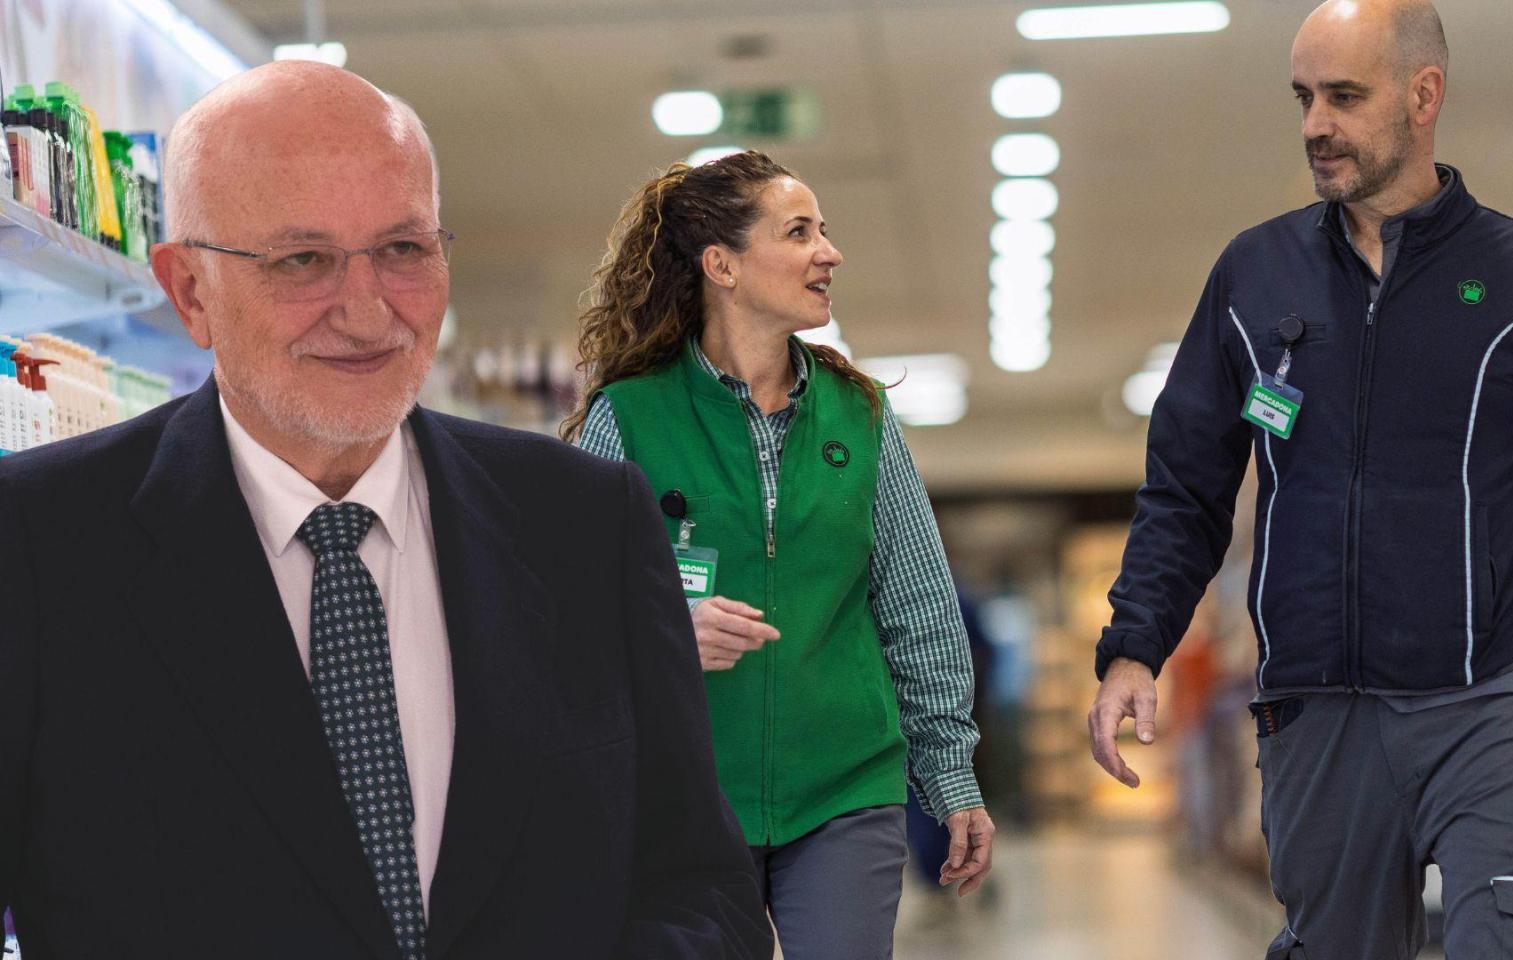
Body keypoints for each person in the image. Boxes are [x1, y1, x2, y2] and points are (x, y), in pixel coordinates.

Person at [0, 62, 770, 960]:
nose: (367, 313)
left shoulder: (586, 524)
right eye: (302, 260)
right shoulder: (41, 545)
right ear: (190, 292)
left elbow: (701, 884)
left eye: (403, 249)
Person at [1087, 2, 1513, 958]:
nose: (1315, 124)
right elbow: (1185, 490)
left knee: (1508, 942)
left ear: (1424, 96)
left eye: (1343, 96)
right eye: (1303, 98)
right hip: (1318, 712)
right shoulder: (1255, 275)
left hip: (1493, 696)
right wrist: (1134, 648)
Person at [569, 150, 995, 958]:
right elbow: (570, 610)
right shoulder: (628, 418)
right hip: (683, 796)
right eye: (799, 233)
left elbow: (919, 608)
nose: (828, 253)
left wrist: (950, 774)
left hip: (844, 788)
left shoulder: (860, 416)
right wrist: (665, 631)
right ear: (721, 264)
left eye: (824, 233)